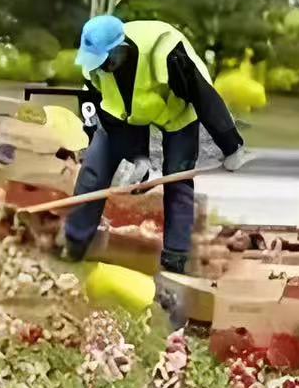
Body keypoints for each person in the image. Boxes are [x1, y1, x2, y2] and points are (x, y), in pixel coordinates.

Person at [63, 15, 249, 273]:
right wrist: (138, 159)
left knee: (177, 179)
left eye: (107, 61)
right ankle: (74, 244)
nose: (102, 67)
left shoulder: (166, 53)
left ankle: (175, 257)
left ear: (122, 48)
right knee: (93, 171)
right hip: (123, 117)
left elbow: (203, 97)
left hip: (177, 112)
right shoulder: (93, 66)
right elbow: (107, 113)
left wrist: (231, 146)